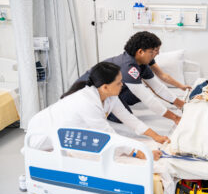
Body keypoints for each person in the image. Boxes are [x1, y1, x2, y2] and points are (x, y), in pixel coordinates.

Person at [28, 62, 164, 161]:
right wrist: (140, 154)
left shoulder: (110, 96)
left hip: (64, 130)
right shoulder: (87, 102)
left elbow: (128, 118)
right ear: (105, 87)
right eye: (118, 83)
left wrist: (156, 136)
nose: (122, 85)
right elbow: (108, 134)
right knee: (108, 151)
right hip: (41, 135)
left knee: (109, 148)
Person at [77, 31, 184, 125]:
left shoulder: (142, 63)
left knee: (139, 92)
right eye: (153, 51)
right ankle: (106, 109)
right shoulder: (128, 67)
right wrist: (175, 118)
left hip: (109, 89)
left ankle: (115, 101)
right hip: (89, 94)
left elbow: (158, 88)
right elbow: (148, 100)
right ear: (140, 52)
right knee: (125, 115)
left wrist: (182, 105)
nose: (157, 54)